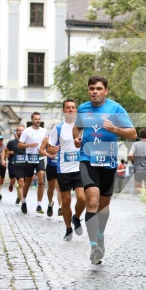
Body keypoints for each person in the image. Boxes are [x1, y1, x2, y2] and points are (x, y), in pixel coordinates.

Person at [73, 76, 136, 264]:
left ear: (106, 91)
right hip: (87, 159)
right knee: (91, 201)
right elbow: (77, 128)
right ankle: (94, 246)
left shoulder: (116, 109)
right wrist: (77, 138)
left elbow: (132, 133)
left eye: (99, 88)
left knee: (103, 206)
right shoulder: (83, 108)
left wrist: (115, 128)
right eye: (91, 88)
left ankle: (100, 235)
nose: (95, 91)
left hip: (108, 162)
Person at [47, 99, 86, 240]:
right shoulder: (58, 128)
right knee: (66, 201)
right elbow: (50, 147)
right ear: (63, 110)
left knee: (82, 198)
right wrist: (53, 149)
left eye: (73, 107)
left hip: (80, 167)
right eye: (68, 108)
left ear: (76, 110)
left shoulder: (82, 127)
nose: (70, 110)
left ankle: (76, 217)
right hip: (64, 169)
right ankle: (68, 228)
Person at [18, 112, 47, 214]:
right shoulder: (27, 131)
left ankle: (39, 204)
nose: (38, 121)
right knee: (28, 181)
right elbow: (20, 145)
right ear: (32, 120)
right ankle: (24, 201)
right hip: (29, 158)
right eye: (36, 119)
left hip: (40, 158)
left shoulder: (44, 131)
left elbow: (47, 143)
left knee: (41, 181)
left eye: (39, 119)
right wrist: (29, 145)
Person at [39, 120, 63, 217]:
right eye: (55, 128)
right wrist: (48, 154)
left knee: (60, 188)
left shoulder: (63, 138)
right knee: (51, 188)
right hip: (51, 166)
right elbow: (40, 150)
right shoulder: (47, 139)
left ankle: (60, 207)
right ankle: (50, 203)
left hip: (61, 166)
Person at [2, 125, 26, 204]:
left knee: (23, 184)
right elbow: (4, 151)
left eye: (23, 130)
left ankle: (20, 197)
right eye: (19, 130)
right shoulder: (12, 142)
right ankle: (23, 202)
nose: (21, 132)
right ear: (17, 132)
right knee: (19, 182)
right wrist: (3, 160)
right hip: (15, 165)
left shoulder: (28, 141)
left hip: (26, 165)